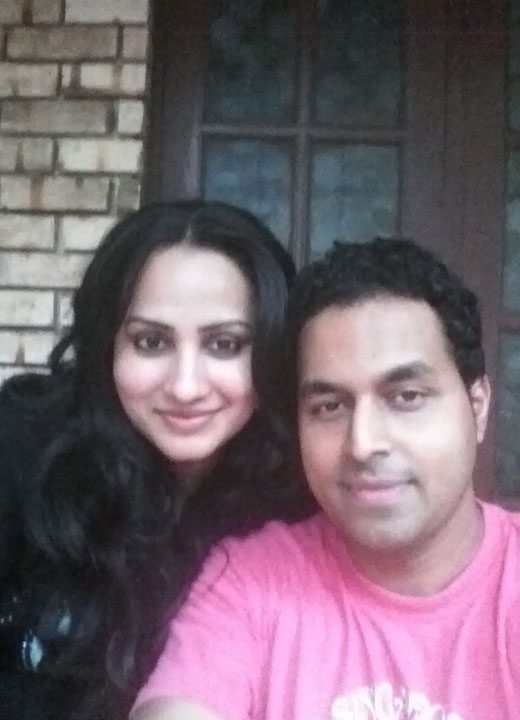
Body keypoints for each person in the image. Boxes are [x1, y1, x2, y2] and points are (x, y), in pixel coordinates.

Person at [131, 238, 520, 720]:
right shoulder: (253, 581)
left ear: (477, 407)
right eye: (330, 406)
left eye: (406, 397)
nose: (363, 443)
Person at [0, 200, 315, 720]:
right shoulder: (24, 446)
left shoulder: (298, 498)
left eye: (225, 344)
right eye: (151, 342)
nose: (185, 386)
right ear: (107, 345)